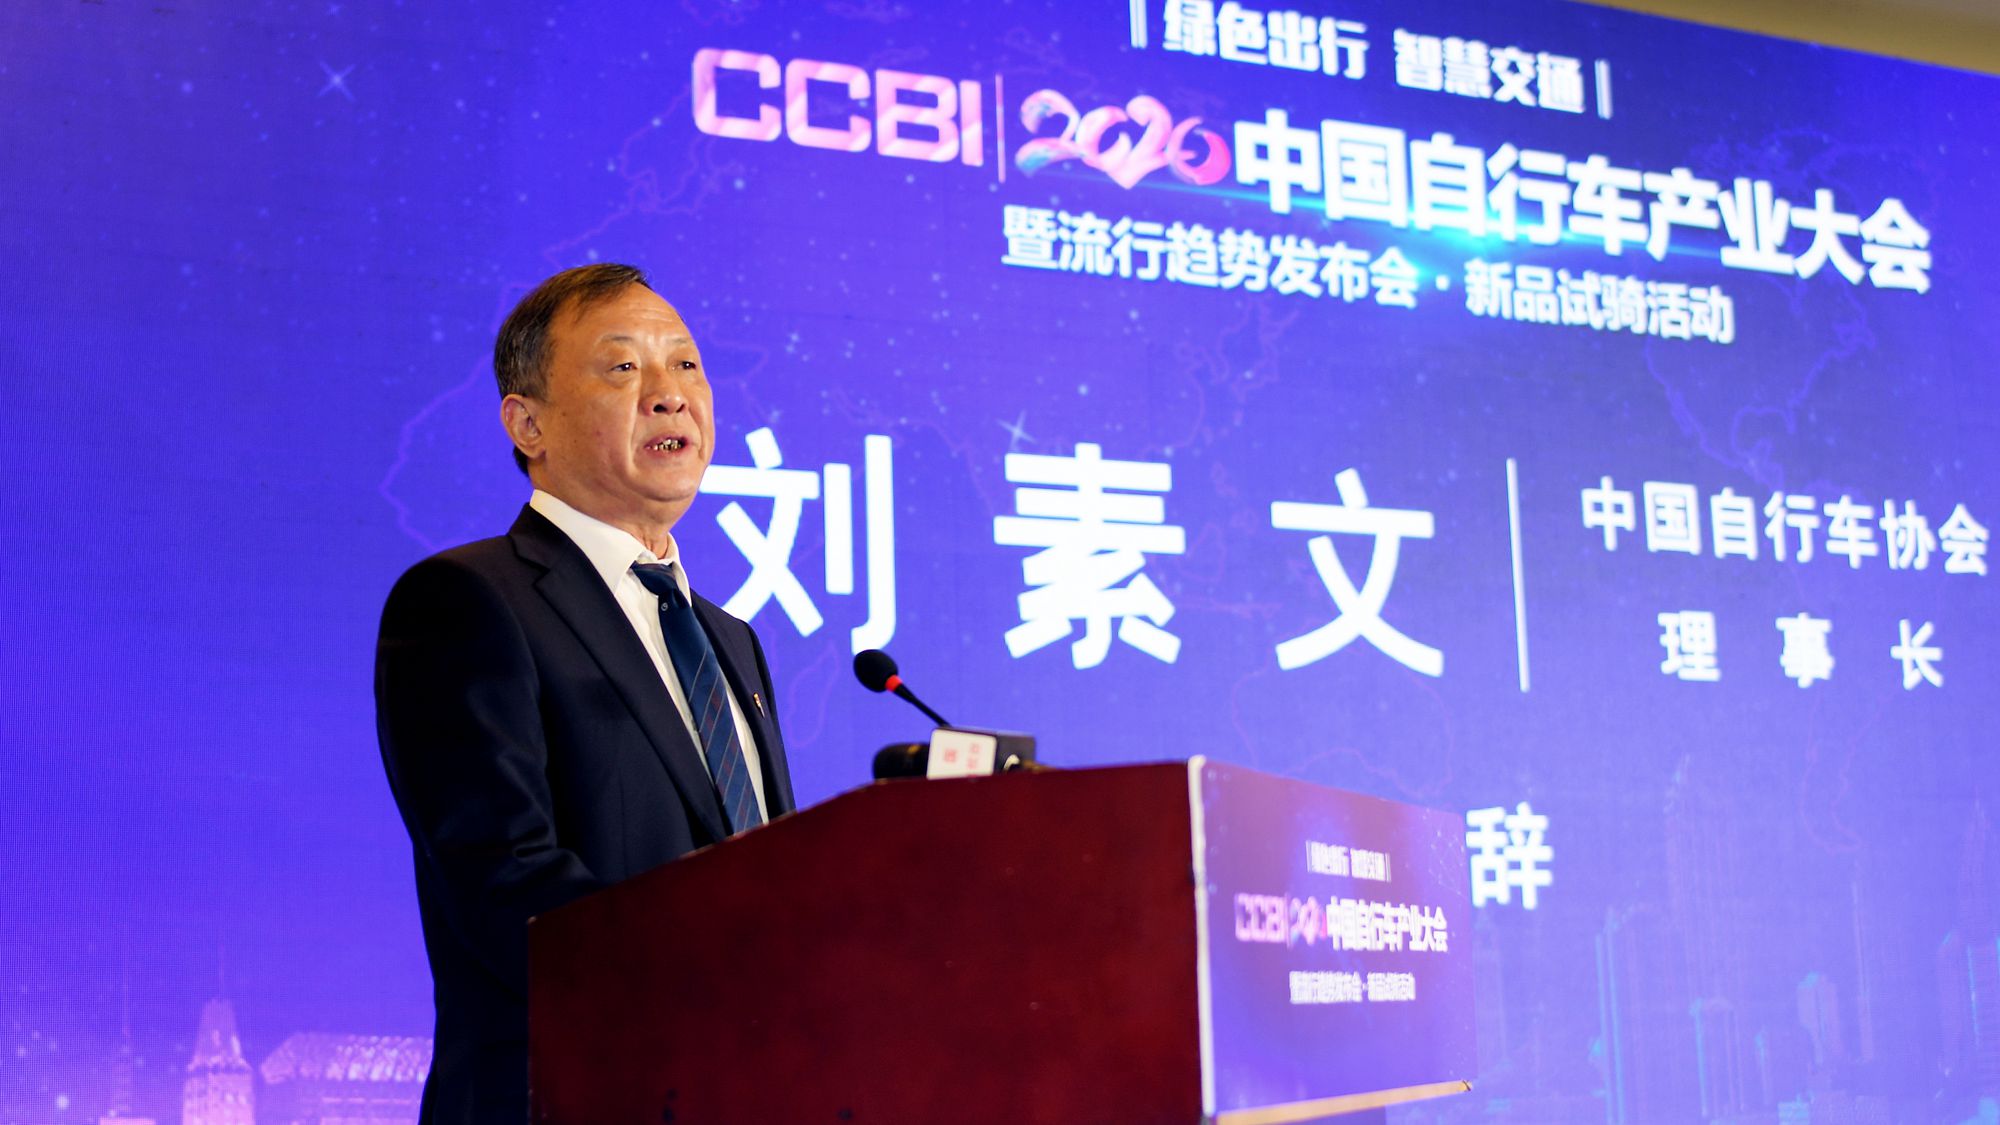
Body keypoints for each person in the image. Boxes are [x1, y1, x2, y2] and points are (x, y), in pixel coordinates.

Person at [374, 263, 795, 1124]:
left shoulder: (732, 641)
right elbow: (506, 881)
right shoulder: (468, 601)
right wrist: (733, 985)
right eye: (623, 366)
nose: (670, 394)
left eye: (686, 364)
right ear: (527, 423)